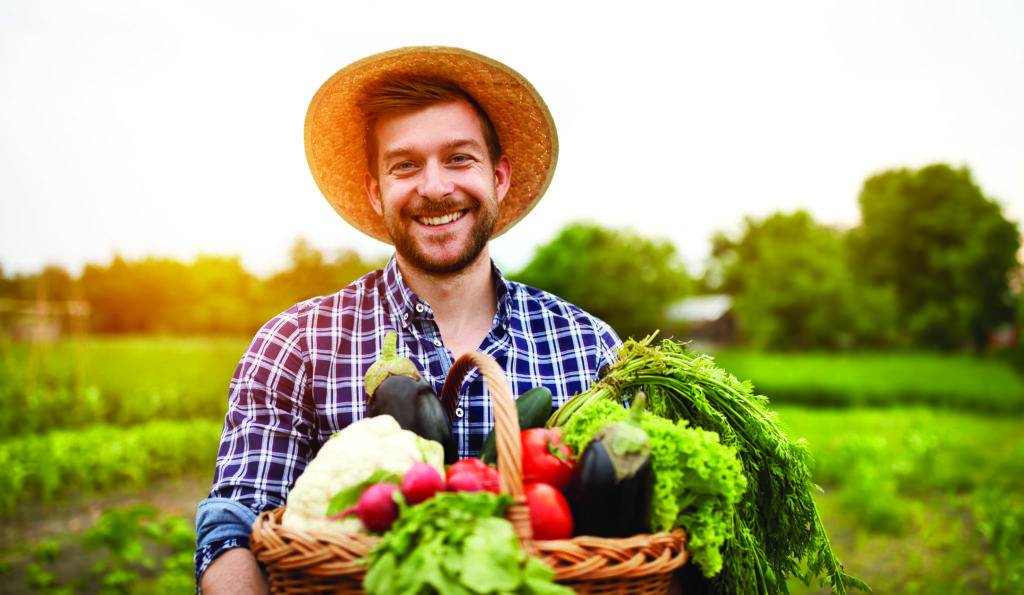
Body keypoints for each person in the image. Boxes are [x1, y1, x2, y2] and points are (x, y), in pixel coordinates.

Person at [194, 47, 621, 594]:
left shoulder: (589, 346)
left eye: (459, 158)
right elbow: (234, 523)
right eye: (405, 165)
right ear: (377, 192)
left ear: (500, 177)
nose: (435, 187)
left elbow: (639, 533)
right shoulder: (294, 345)